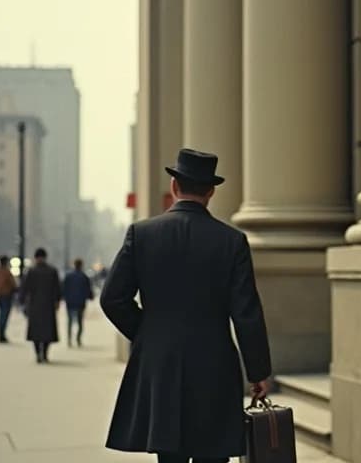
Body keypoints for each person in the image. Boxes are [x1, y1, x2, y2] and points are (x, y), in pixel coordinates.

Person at [101, 148, 272, 463]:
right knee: (213, 453)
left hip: (161, 364)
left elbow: (112, 299)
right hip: (215, 365)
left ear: (174, 187)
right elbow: (246, 312)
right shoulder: (231, 241)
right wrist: (258, 370)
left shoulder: (142, 234)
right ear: (211, 192)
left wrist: (147, 333)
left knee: (170, 454)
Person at [20, 248, 61, 363]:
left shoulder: (31, 271)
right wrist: (57, 301)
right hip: (48, 305)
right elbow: (57, 288)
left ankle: (38, 353)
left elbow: (25, 288)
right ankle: (45, 353)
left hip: (34, 305)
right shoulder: (52, 271)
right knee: (48, 332)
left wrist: (22, 301)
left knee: (35, 333)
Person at [62, 258, 94, 347]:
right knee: (80, 322)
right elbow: (88, 289)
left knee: (70, 321)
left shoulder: (68, 276)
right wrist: (90, 297)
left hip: (70, 302)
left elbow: (64, 288)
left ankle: (69, 339)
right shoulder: (84, 276)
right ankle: (78, 339)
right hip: (80, 302)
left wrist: (63, 297)